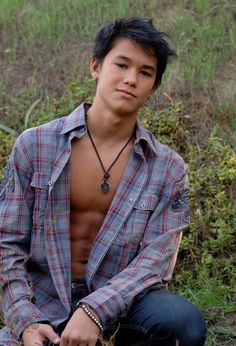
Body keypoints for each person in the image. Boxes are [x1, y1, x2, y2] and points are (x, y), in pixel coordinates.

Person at [0, 17, 206, 346]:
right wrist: (25, 321)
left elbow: (155, 263)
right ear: (96, 66)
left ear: (153, 87)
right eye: (121, 64)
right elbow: (5, 244)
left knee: (181, 321)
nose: (130, 79)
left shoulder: (168, 169)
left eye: (145, 72)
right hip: (43, 304)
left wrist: (94, 310)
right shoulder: (34, 146)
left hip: (123, 309)